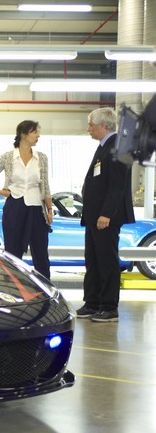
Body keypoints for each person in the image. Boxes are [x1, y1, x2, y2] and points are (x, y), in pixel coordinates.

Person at [76, 107, 134, 323]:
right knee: (92, 260)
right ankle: (92, 303)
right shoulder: (104, 147)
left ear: (102, 126)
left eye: (90, 124)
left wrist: (106, 214)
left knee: (107, 261)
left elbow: (117, 186)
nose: (88, 128)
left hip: (106, 217)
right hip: (94, 217)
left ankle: (109, 307)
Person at [0, 120, 53, 278]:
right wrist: (1, 192)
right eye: (34, 132)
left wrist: (49, 209)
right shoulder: (9, 157)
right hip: (15, 206)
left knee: (41, 252)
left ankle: (45, 291)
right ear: (23, 134)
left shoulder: (41, 158)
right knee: (13, 252)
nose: (38, 135)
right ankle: (12, 289)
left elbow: (46, 186)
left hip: (37, 208)